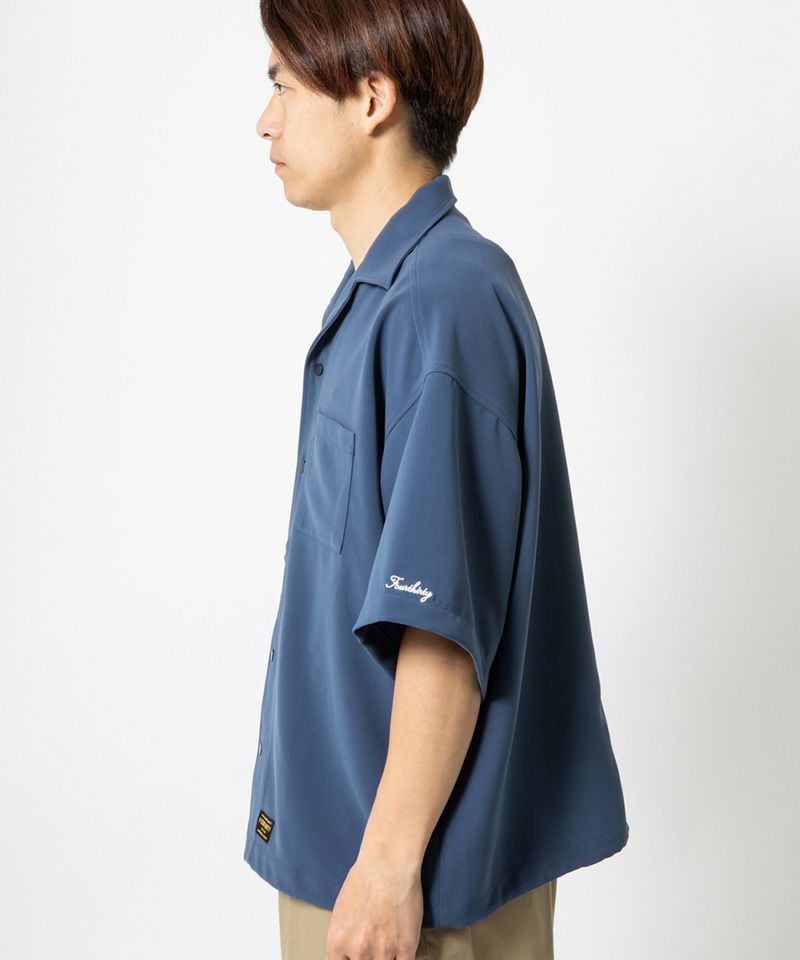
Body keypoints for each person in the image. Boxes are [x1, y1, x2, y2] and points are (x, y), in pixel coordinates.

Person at [243, 2, 630, 958]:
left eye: (282, 85)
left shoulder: (443, 302)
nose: (265, 121)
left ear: (372, 97)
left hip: (411, 896)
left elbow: (442, 623)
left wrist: (385, 868)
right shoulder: (389, 294)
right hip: (353, 863)